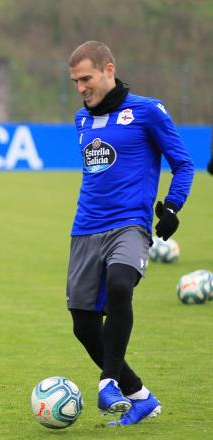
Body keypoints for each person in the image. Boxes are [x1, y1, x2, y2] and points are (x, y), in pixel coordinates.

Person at [66, 41, 193, 426]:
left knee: (121, 285)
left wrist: (172, 206)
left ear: (108, 70)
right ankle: (140, 396)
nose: (80, 87)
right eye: (74, 81)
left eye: (86, 78)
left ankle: (109, 382)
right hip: (86, 228)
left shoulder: (147, 111)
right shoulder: (81, 120)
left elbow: (183, 163)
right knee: (84, 325)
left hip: (129, 225)